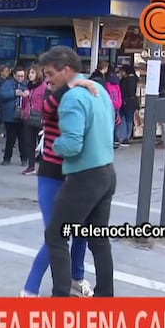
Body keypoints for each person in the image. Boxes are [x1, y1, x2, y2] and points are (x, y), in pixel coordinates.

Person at [39, 46, 117, 298]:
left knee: (56, 234)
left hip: (85, 176)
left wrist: (52, 144)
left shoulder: (72, 98)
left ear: (66, 70)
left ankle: (60, 297)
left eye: (50, 73)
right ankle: (105, 296)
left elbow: (72, 145)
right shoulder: (100, 90)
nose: (47, 79)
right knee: (98, 238)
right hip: (107, 172)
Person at [21, 76, 99, 297]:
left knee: (81, 229)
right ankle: (29, 288)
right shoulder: (53, 99)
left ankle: (76, 276)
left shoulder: (79, 101)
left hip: (76, 177)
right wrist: (72, 85)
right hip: (52, 175)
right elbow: (48, 109)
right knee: (56, 235)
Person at [0, 67, 29, 166]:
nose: (20, 78)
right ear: (14, 75)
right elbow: (1, 94)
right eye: (18, 76)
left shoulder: (26, 84)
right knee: (10, 139)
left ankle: (24, 159)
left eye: (22, 76)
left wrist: (27, 94)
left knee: (23, 139)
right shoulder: (7, 83)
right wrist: (14, 93)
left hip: (23, 115)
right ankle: (7, 158)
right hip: (10, 115)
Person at [19, 65, 46, 175]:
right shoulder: (28, 87)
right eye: (29, 73)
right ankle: (31, 166)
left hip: (39, 118)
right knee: (29, 143)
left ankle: (43, 168)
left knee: (42, 145)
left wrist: (45, 118)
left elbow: (46, 103)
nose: (30, 75)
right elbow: (25, 103)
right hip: (28, 117)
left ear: (38, 74)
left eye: (33, 73)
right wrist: (24, 96)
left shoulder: (43, 87)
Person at [119, 65, 139, 145]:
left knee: (127, 119)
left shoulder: (128, 80)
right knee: (129, 119)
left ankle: (127, 136)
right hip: (132, 102)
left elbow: (127, 91)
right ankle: (127, 136)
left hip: (127, 102)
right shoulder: (134, 79)